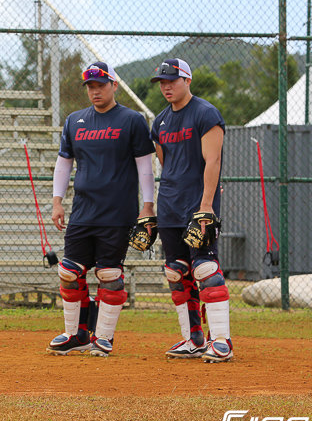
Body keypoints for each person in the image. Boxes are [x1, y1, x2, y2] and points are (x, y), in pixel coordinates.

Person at [49, 62, 156, 357]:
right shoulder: (74, 121)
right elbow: (64, 163)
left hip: (117, 213)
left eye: (100, 85)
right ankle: (76, 334)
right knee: (70, 272)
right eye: (91, 87)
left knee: (109, 274)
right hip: (83, 211)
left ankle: (104, 337)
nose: (95, 91)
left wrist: (148, 206)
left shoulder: (132, 120)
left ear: (113, 85)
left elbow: (145, 167)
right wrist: (57, 201)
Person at [150, 57, 233, 363]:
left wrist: (207, 205)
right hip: (170, 204)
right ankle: (193, 339)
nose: (166, 86)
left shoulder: (205, 113)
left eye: (172, 80)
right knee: (176, 271)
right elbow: (166, 164)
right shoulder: (159, 122)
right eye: (162, 82)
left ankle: (221, 340)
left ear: (187, 80)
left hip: (198, 204)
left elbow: (213, 161)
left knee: (206, 270)